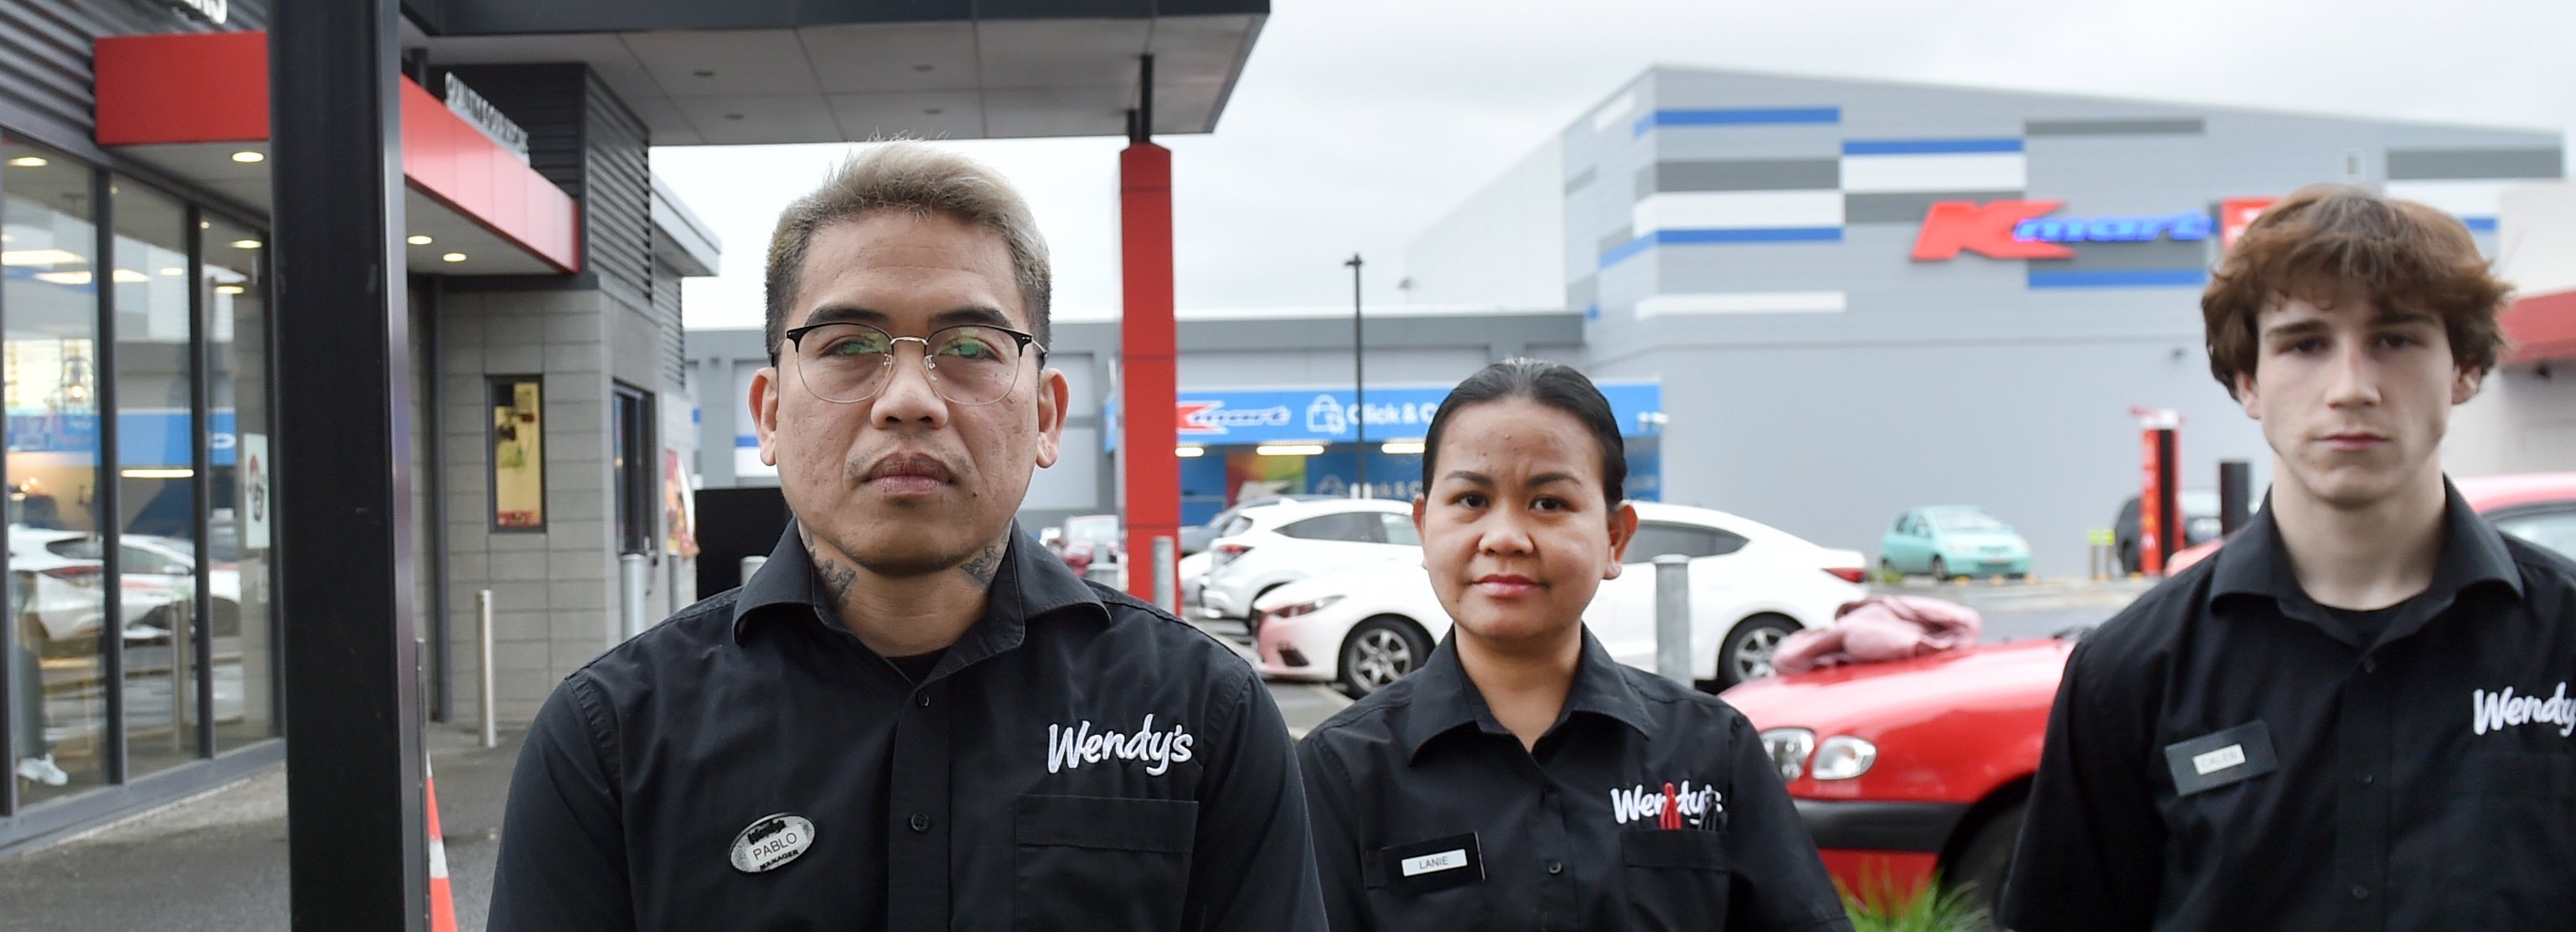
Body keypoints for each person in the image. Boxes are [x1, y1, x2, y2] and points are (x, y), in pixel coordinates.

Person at [487, 142, 1326, 931]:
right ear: (771, 414)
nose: (909, 398)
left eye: (970, 345)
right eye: (849, 344)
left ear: (1046, 414)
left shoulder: (1204, 715)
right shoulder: (611, 739)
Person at [1998, 184, 2576, 930]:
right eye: (2305, 343)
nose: (2351, 388)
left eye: (2394, 339)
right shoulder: (2127, 673)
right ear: (2247, 379)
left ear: (2465, 369)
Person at [1294, 359, 1846, 931]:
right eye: (1471, 500)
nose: (1505, 536)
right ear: (1423, 525)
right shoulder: (1342, 772)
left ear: (1615, 536)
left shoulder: (1713, 752)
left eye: (1549, 503)